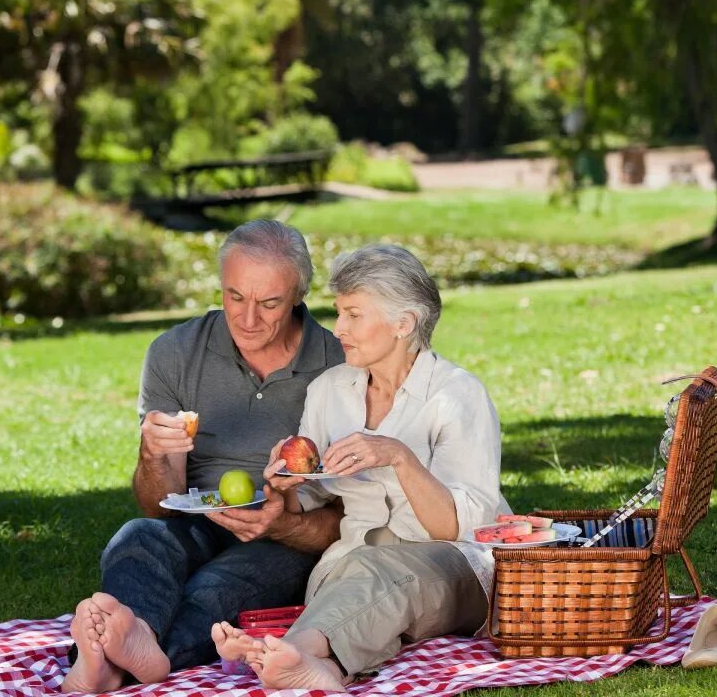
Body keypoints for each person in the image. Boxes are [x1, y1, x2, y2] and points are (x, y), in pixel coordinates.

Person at [61, 220, 345, 693]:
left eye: (269, 303)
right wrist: (153, 455)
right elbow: (158, 505)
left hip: (289, 538)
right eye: (235, 297)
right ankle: (130, 648)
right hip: (198, 518)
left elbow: (354, 518)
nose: (248, 318)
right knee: (138, 538)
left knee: (218, 587)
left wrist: (281, 526)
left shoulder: (340, 363)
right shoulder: (174, 353)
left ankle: (108, 663)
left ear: (298, 296)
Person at [211, 244, 511, 690]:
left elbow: (455, 528)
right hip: (353, 561)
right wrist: (285, 488)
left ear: (403, 324)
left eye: (354, 315)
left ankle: (280, 651)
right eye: (339, 313)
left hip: (459, 565)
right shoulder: (330, 390)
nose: (338, 329)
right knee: (353, 569)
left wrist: (399, 457)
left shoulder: (457, 395)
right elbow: (312, 497)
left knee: (378, 570)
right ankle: (317, 667)